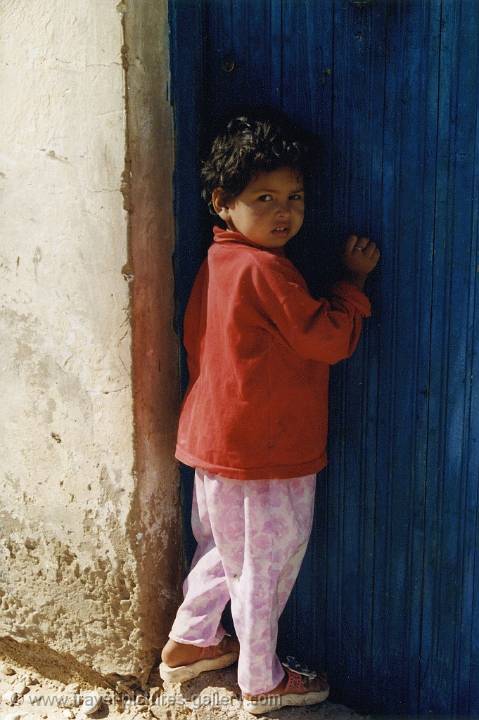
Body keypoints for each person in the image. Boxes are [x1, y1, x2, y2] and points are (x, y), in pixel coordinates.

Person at [160, 109, 380, 715]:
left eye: (294, 196)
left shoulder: (220, 262)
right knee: (266, 564)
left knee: (221, 551)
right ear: (222, 203)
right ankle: (261, 677)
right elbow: (327, 339)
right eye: (264, 197)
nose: (285, 211)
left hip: (215, 444)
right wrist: (351, 286)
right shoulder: (267, 269)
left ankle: (190, 640)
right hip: (265, 453)